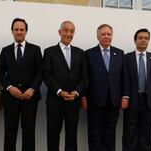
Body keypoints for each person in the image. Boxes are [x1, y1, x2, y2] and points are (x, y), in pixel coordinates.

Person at [0, 18, 43, 151]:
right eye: (16, 29)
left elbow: (40, 72)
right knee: (10, 132)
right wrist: (9, 88)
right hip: (11, 98)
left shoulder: (35, 49)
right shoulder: (5, 50)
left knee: (29, 132)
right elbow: (0, 73)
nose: (19, 32)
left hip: (30, 98)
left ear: (26, 31)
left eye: (21, 29)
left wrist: (33, 88)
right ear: (12, 31)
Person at [43, 20, 87, 151]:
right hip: (55, 101)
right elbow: (47, 75)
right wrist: (59, 91)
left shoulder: (80, 53)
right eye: (66, 30)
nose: (69, 33)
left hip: (74, 101)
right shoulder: (49, 52)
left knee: (72, 135)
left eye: (71, 31)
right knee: (53, 135)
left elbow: (84, 78)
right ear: (59, 32)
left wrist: (77, 92)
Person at [83, 24, 124, 151]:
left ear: (112, 36)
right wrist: (83, 97)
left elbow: (123, 78)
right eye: (103, 34)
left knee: (110, 134)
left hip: (113, 101)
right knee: (95, 134)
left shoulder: (120, 53)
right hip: (95, 102)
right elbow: (84, 78)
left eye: (109, 34)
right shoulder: (89, 54)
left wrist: (124, 96)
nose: (106, 37)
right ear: (97, 36)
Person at [121, 28, 151, 151]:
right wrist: (125, 96)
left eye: (146, 38)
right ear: (135, 40)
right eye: (140, 38)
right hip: (132, 101)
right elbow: (124, 79)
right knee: (130, 134)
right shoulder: (126, 58)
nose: (143, 40)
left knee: (146, 135)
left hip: (149, 102)